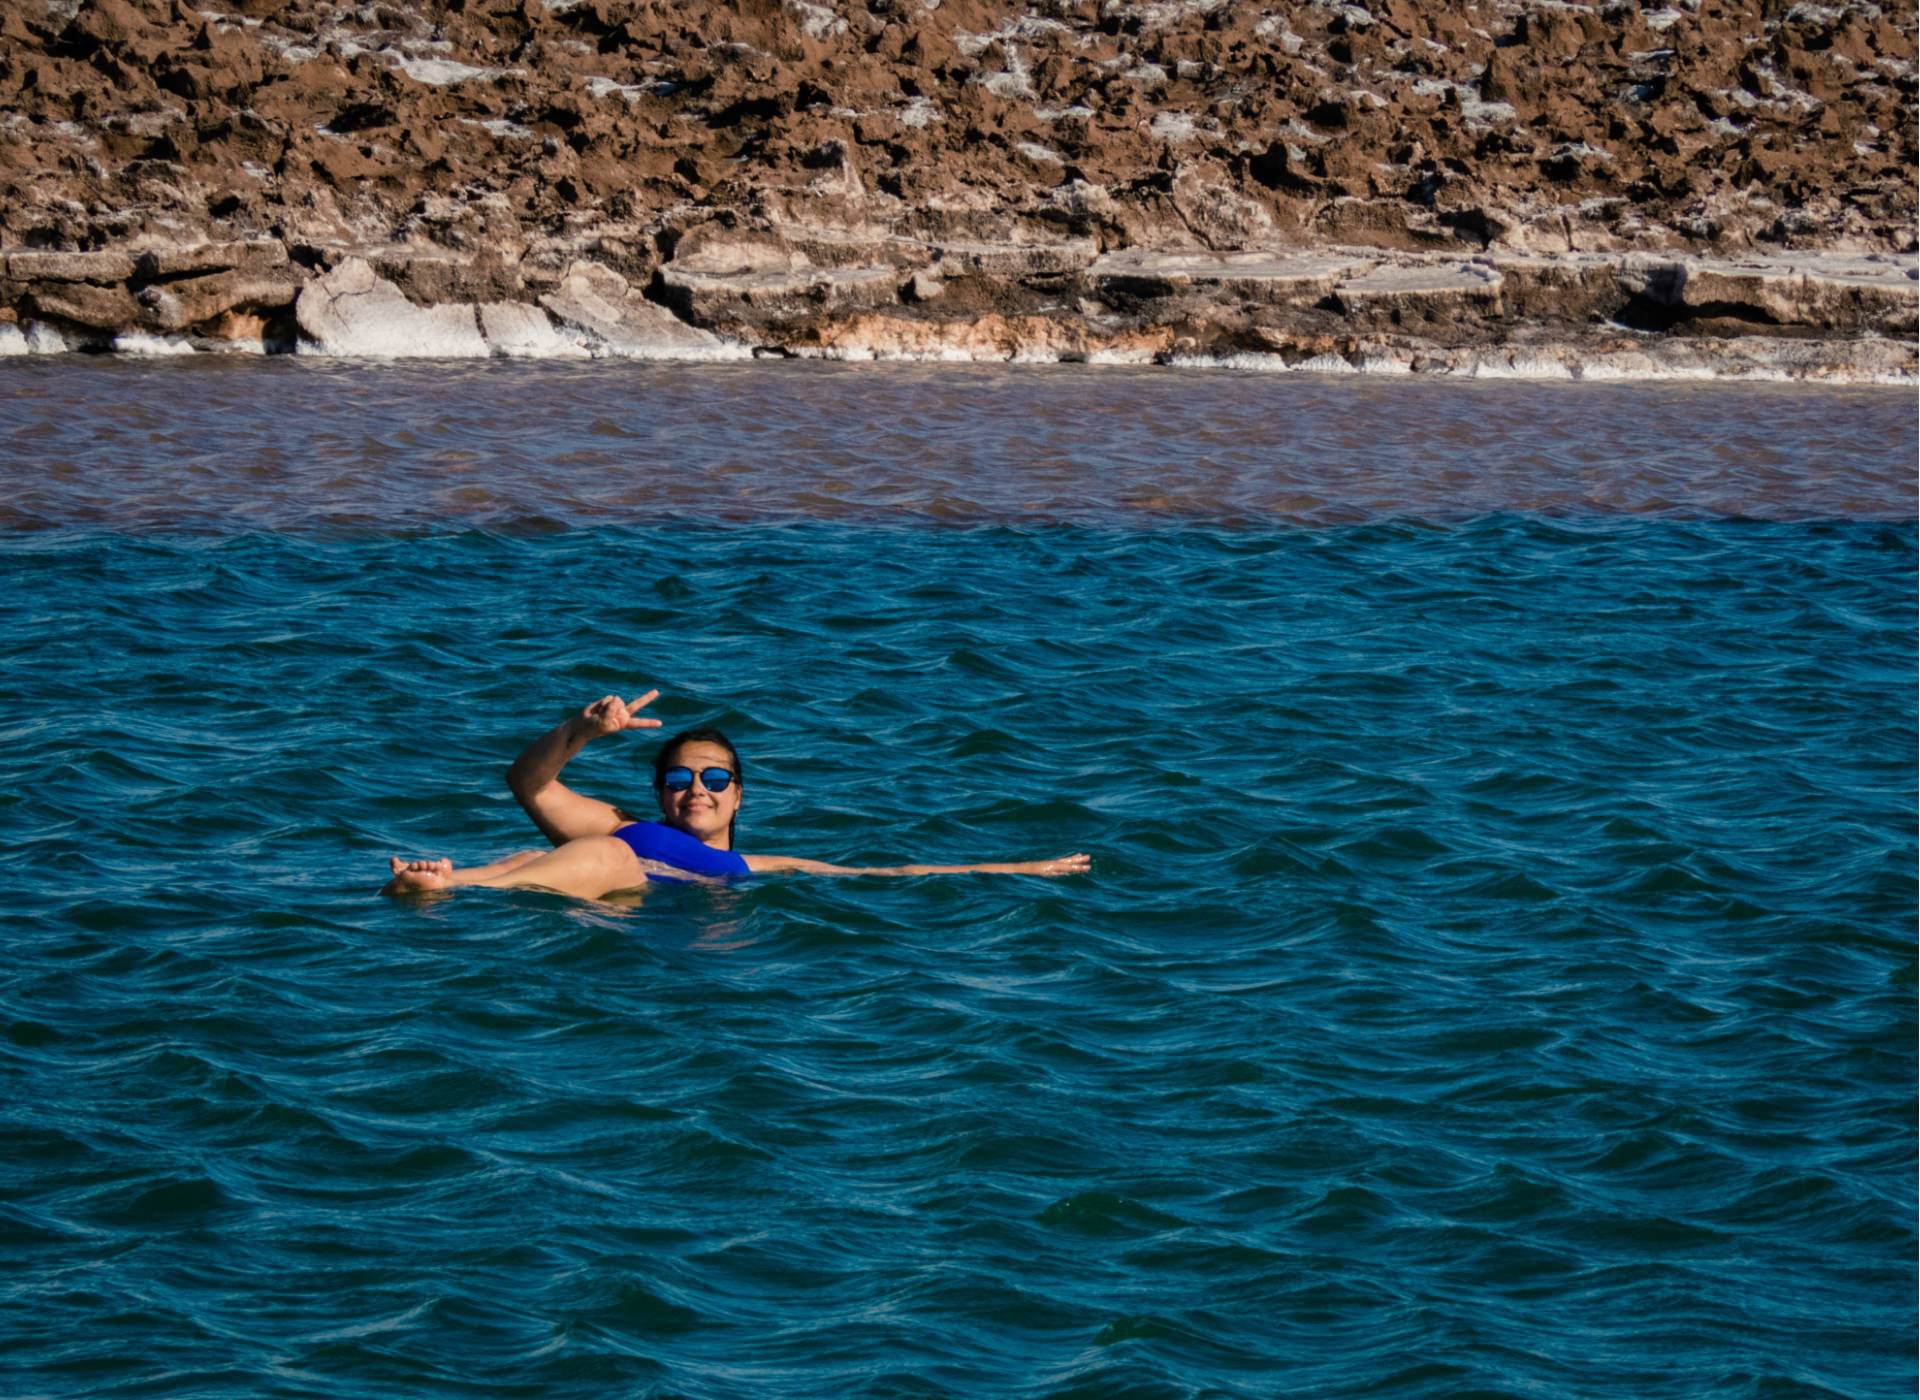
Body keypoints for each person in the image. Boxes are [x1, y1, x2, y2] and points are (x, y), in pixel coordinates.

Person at [382, 690, 1091, 899]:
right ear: (659, 795)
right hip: (600, 868)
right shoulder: (617, 822)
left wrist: (1018, 870)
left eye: (715, 779)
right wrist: (580, 729)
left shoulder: (762, 869)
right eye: (680, 779)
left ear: (739, 796)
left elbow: (889, 875)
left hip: (623, 884)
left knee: (599, 860)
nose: (698, 789)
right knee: (538, 856)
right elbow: (525, 782)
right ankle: (449, 882)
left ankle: (448, 885)